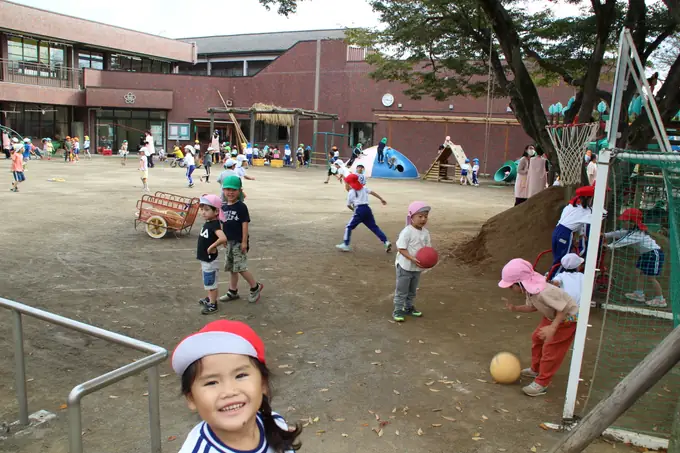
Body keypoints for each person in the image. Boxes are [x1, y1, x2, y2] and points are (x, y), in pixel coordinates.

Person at [171, 319, 302, 453]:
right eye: (211, 382)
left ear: (263, 383)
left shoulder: (276, 423)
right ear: (191, 398)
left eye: (240, 376)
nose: (229, 391)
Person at [499, 258, 578, 397]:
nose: (511, 289)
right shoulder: (531, 291)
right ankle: (535, 369)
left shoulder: (544, 292)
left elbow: (563, 308)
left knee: (551, 350)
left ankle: (542, 383)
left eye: (512, 286)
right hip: (552, 317)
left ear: (521, 282)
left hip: (566, 320)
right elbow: (532, 307)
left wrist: (553, 328)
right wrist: (515, 308)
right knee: (537, 337)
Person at [605, 208, 666, 308]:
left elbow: (623, 241)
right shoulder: (631, 231)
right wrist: (606, 235)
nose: (623, 222)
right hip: (646, 254)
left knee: (651, 277)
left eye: (625, 221)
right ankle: (639, 294)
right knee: (639, 272)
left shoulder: (637, 234)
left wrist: (609, 246)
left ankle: (660, 299)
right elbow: (620, 233)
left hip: (654, 254)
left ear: (633, 222)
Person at [218, 176, 264, 304]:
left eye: (233, 190)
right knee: (232, 268)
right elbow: (222, 223)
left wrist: (244, 242)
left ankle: (255, 287)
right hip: (229, 242)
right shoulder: (224, 207)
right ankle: (232, 291)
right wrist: (223, 239)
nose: (230, 192)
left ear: (239, 191)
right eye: (227, 189)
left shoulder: (241, 207)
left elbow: (245, 225)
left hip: (239, 242)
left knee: (241, 267)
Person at [392, 201, 431, 322]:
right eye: (420, 216)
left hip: (416, 268)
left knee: (412, 290)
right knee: (402, 290)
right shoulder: (407, 232)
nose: (423, 219)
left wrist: (428, 260)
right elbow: (401, 248)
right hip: (405, 266)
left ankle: (408, 307)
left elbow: (427, 249)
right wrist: (412, 258)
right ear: (411, 217)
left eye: (425, 216)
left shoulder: (425, 233)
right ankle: (398, 309)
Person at [336, 173, 391, 253]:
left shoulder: (351, 192)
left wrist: (354, 210)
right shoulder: (364, 188)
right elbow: (372, 192)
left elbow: (348, 205)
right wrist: (381, 199)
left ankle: (346, 244)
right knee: (374, 227)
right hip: (367, 209)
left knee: (349, 227)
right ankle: (386, 242)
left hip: (359, 210)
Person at [550, 185, 594, 278]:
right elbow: (601, 215)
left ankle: (551, 274)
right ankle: (553, 279)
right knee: (563, 260)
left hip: (556, 231)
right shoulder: (585, 211)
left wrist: (581, 233)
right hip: (565, 233)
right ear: (587, 199)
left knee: (557, 258)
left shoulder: (570, 206)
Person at [195, 195, 228, 315]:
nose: (203, 212)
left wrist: (212, 246)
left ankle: (213, 304)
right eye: (202, 209)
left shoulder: (214, 224)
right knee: (208, 281)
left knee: (210, 282)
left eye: (207, 210)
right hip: (205, 259)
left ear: (216, 211)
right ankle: (210, 298)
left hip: (209, 260)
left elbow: (223, 238)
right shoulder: (208, 222)